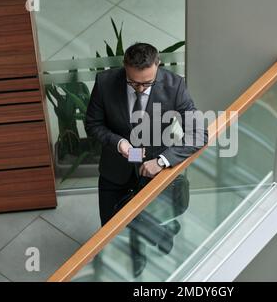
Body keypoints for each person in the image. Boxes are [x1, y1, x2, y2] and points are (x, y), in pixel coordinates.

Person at [85, 42, 207, 277]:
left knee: (145, 215)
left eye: (147, 83)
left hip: (153, 169)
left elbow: (198, 133)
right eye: (133, 82)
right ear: (125, 68)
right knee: (111, 226)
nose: (140, 89)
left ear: (158, 65)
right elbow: (93, 124)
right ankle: (158, 236)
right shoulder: (105, 82)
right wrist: (118, 142)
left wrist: (161, 160)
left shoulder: (175, 86)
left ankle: (146, 245)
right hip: (115, 168)